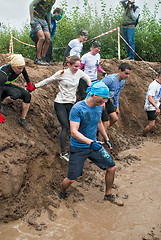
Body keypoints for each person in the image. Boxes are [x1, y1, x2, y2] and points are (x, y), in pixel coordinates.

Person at [59, 81, 123, 206]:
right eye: (102, 99)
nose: (104, 102)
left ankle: (108, 194)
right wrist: (91, 142)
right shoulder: (78, 108)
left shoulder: (100, 106)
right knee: (71, 179)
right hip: (79, 148)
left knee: (112, 168)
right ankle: (62, 191)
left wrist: (106, 138)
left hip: (94, 146)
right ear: (93, 94)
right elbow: (74, 132)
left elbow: (99, 122)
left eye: (106, 99)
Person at [34, 56, 91, 161]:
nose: (77, 68)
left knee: (76, 125)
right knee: (65, 126)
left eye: (78, 66)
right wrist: (34, 86)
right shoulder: (61, 73)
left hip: (72, 104)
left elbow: (87, 78)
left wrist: (91, 88)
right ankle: (63, 153)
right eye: (75, 66)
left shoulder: (79, 73)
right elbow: (48, 80)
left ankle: (79, 147)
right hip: (60, 103)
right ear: (69, 65)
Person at [0, 54, 35, 129]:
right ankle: (2, 104)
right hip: (1, 86)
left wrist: (29, 83)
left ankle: (22, 119)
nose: (21, 70)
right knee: (16, 94)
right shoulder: (3, 74)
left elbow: (24, 72)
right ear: (13, 66)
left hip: (7, 85)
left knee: (27, 95)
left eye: (22, 68)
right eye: (19, 68)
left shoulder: (20, 67)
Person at [100, 63, 132, 136]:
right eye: (126, 73)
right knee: (106, 122)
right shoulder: (110, 79)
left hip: (107, 100)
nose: (127, 76)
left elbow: (116, 94)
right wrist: (102, 102)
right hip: (100, 100)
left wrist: (116, 106)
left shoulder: (122, 81)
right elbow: (98, 87)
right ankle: (100, 142)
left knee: (114, 118)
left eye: (129, 74)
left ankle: (101, 131)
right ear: (120, 71)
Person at [29, 0, 56, 65]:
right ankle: (38, 59)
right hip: (36, 18)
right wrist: (31, 19)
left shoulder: (53, 1)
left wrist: (49, 24)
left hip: (43, 20)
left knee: (48, 39)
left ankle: (43, 58)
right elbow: (31, 5)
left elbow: (49, 12)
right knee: (42, 38)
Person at [142, 72, 161, 137]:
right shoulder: (154, 85)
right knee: (151, 124)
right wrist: (157, 108)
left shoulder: (159, 84)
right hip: (150, 106)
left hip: (157, 103)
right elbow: (149, 98)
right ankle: (143, 135)